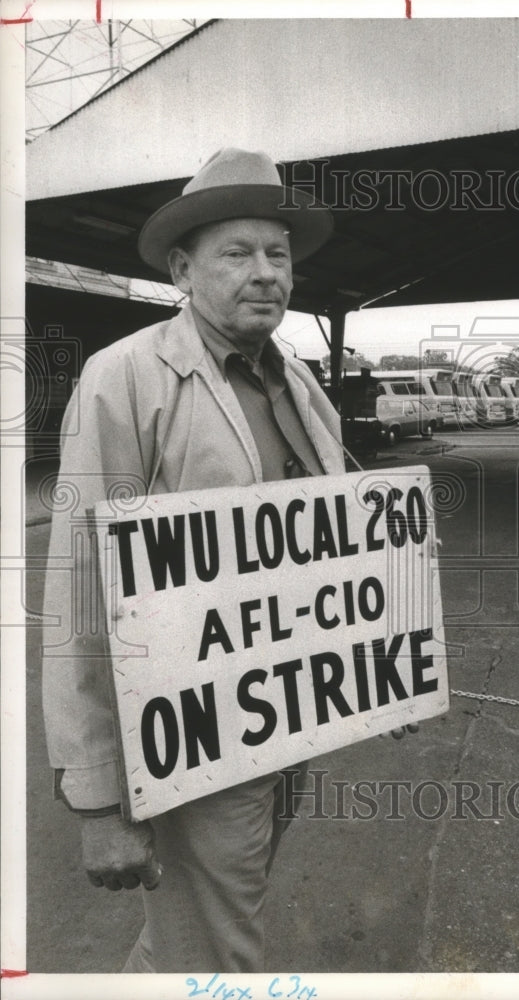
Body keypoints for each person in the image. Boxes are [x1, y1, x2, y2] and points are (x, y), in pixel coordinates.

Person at [42, 148, 347, 973]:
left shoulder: (300, 383)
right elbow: (78, 589)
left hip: (288, 719)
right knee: (219, 951)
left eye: (277, 254)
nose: (265, 274)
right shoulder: (125, 379)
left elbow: (331, 530)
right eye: (236, 254)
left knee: (192, 931)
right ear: (182, 267)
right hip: (189, 741)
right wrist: (99, 799)